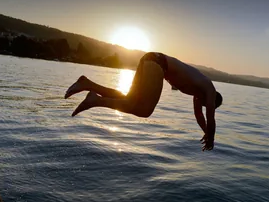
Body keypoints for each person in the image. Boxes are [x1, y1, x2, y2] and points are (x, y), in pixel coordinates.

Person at [64, 52, 223, 151]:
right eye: (205, 102)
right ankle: (94, 101)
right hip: (158, 64)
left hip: (152, 60)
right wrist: (211, 138)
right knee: (145, 110)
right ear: (213, 98)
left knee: (129, 100)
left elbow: (199, 116)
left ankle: (87, 84)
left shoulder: (198, 93)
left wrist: (206, 133)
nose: (200, 102)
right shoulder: (209, 88)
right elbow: (210, 117)